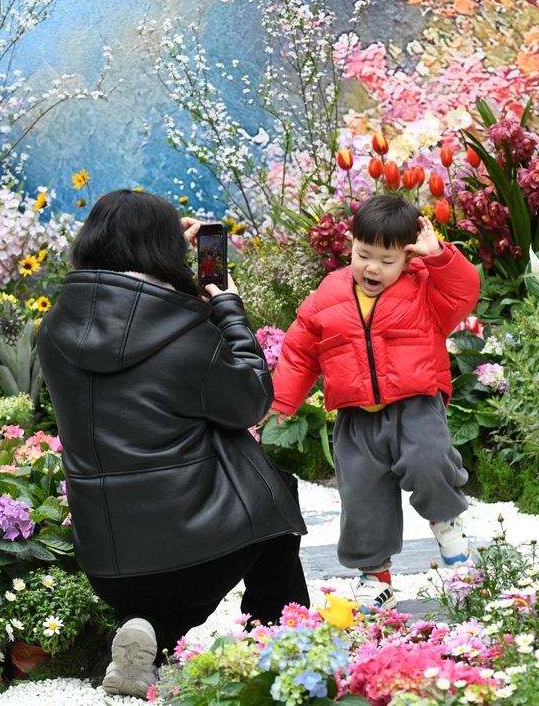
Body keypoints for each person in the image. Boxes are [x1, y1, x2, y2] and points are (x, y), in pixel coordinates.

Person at [37, 189, 309, 699]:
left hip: (108, 558)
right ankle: (277, 638)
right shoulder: (184, 331)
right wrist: (224, 304)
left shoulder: (54, 329)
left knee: (166, 597)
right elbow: (251, 403)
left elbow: (127, 319)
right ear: (164, 250)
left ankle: (149, 632)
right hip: (192, 551)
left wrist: (170, 276)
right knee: (276, 493)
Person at [267, 193, 479, 612]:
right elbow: (299, 350)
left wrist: (438, 257)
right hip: (356, 418)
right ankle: (374, 577)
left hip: (415, 405)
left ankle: (448, 528)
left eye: (387, 260)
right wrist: (280, 401)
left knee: (428, 462)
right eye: (364, 255)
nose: (372, 268)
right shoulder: (328, 295)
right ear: (351, 243)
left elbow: (463, 294)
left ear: (407, 257)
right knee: (361, 495)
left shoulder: (425, 289)